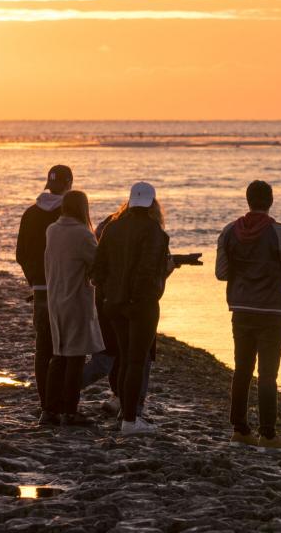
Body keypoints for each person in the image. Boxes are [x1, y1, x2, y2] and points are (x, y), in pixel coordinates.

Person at [215, 180, 281, 451]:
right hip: (272, 311)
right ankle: (268, 435)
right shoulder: (279, 232)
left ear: (248, 200)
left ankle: (240, 430)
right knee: (267, 374)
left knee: (242, 370)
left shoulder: (229, 231)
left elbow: (221, 272)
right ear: (271, 200)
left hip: (241, 309)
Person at [93, 182, 170, 435]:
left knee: (125, 359)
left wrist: (110, 293)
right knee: (137, 361)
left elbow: (97, 271)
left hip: (114, 305)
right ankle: (129, 419)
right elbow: (149, 271)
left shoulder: (112, 228)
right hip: (141, 306)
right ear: (152, 204)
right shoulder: (154, 232)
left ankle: (124, 415)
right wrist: (162, 275)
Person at [82, 202, 152, 418]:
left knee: (111, 355)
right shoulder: (147, 230)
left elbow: (98, 266)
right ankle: (132, 405)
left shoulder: (109, 226)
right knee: (129, 356)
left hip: (105, 299)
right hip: (126, 301)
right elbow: (146, 272)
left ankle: (119, 398)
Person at [16, 164, 73, 423]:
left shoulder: (30, 214)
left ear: (48, 184)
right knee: (65, 350)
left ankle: (45, 405)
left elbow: (20, 254)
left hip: (40, 289)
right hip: (64, 288)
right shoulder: (68, 213)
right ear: (69, 183)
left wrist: (35, 279)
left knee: (43, 349)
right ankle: (59, 404)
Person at [44, 190, 104, 426]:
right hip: (76, 300)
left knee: (58, 356)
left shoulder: (52, 230)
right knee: (75, 358)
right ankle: (69, 410)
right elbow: (98, 263)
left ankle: (49, 410)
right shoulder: (82, 234)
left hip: (55, 298)